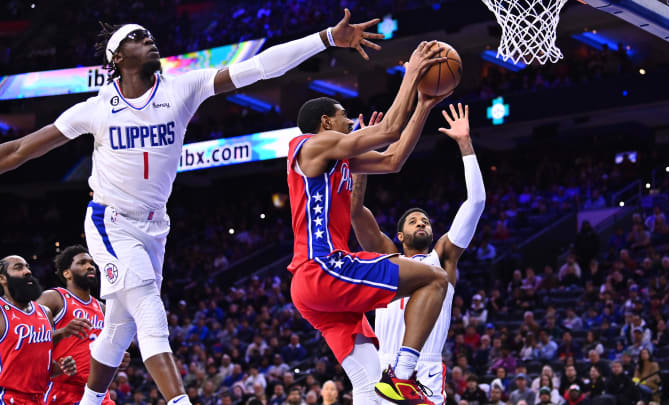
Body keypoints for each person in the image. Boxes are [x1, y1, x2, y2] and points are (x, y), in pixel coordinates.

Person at [0, 10, 383, 405]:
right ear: (118, 57)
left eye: (150, 34)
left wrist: (325, 37)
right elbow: (18, 149)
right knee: (148, 307)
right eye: (138, 37)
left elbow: (260, 67)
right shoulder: (95, 109)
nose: (150, 39)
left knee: (118, 327)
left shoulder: (180, 88)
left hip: (155, 226)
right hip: (109, 221)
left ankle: (89, 402)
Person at [286, 41, 449, 404]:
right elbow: (390, 129)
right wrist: (410, 75)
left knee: (368, 387)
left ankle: (394, 380)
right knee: (435, 278)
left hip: (313, 290)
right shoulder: (309, 145)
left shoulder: (340, 159)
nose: (350, 119)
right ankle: (405, 372)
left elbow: (393, 159)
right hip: (323, 268)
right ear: (326, 123)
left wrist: (422, 105)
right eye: (344, 115)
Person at [350, 102, 485, 404]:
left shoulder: (444, 257)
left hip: (424, 370)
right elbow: (355, 212)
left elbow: (475, 203)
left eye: (425, 220)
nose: (421, 222)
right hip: (380, 367)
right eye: (413, 221)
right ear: (400, 236)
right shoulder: (387, 256)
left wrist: (465, 143)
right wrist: (360, 152)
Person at [39, 245, 132, 405]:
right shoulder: (55, 298)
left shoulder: (103, 309)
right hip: (61, 390)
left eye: (91, 262)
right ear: (66, 273)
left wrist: (117, 358)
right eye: (82, 263)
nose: (90, 266)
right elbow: (28, 340)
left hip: (98, 393)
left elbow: (102, 355)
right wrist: (62, 332)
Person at [0, 256, 78, 404]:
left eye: (27, 267)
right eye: (18, 267)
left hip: (40, 398)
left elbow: (44, 367)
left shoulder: (45, 312)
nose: (27, 271)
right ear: (2, 278)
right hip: (8, 398)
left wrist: (60, 367)